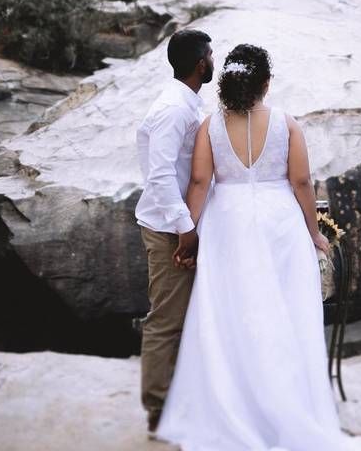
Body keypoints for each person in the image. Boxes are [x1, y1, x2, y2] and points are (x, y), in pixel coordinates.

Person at [155, 44, 361, 450]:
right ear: (265, 83)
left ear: (229, 82)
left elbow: (198, 184)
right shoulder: (287, 124)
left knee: (229, 315)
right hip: (279, 226)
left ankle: (232, 409)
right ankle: (286, 406)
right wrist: (313, 232)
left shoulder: (210, 126)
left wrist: (187, 235)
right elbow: (302, 183)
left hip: (227, 224)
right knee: (282, 314)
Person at [135, 28, 214, 436]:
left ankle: (178, 401)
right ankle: (158, 410)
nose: (213, 61)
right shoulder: (173, 109)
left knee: (184, 319)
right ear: (202, 63)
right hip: (169, 229)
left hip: (178, 225)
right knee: (165, 321)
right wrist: (186, 229)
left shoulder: (186, 104)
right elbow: (161, 175)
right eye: (211, 55)